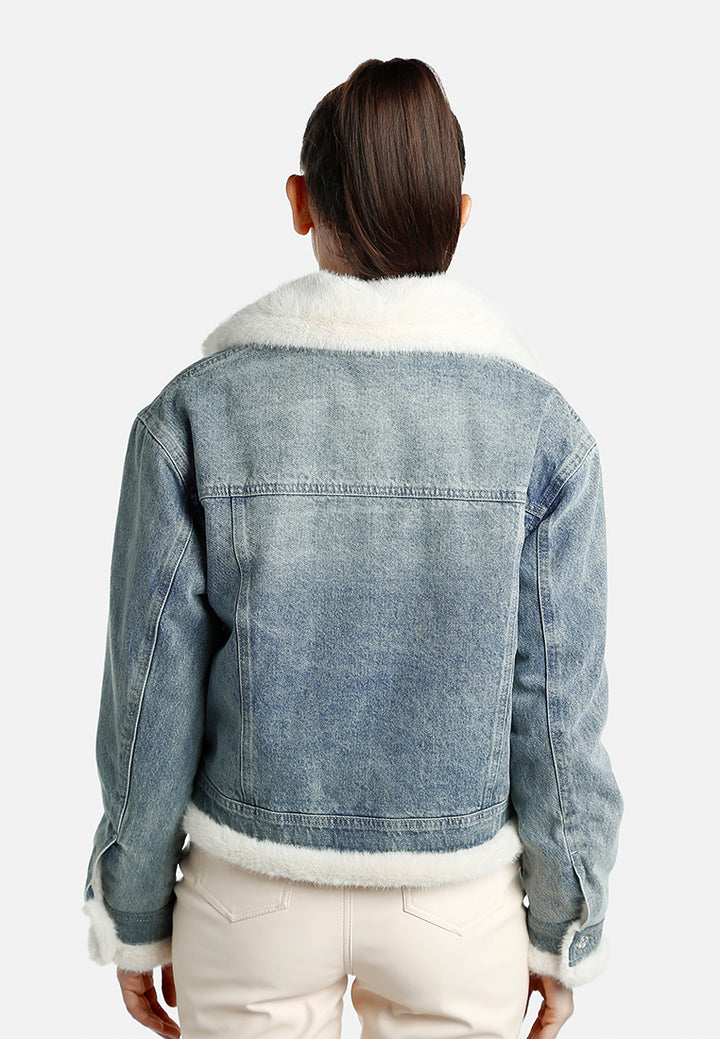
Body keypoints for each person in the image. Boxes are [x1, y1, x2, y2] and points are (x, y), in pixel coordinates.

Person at [83, 57, 623, 1039]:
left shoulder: (195, 416)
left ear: (300, 203)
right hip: (457, 907)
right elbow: (558, 712)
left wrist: (132, 911)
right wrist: (563, 924)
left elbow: (148, 693)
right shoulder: (544, 434)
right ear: (461, 217)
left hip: (248, 895)